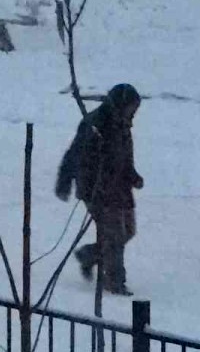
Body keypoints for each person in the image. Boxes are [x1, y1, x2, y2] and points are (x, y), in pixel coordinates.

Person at [55, 83, 144, 296]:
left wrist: (133, 176)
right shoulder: (94, 124)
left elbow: (123, 157)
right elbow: (73, 153)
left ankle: (89, 255)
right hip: (97, 189)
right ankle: (114, 281)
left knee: (128, 231)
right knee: (114, 235)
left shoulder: (122, 125)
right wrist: (65, 181)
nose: (133, 113)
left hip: (120, 187)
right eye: (131, 108)